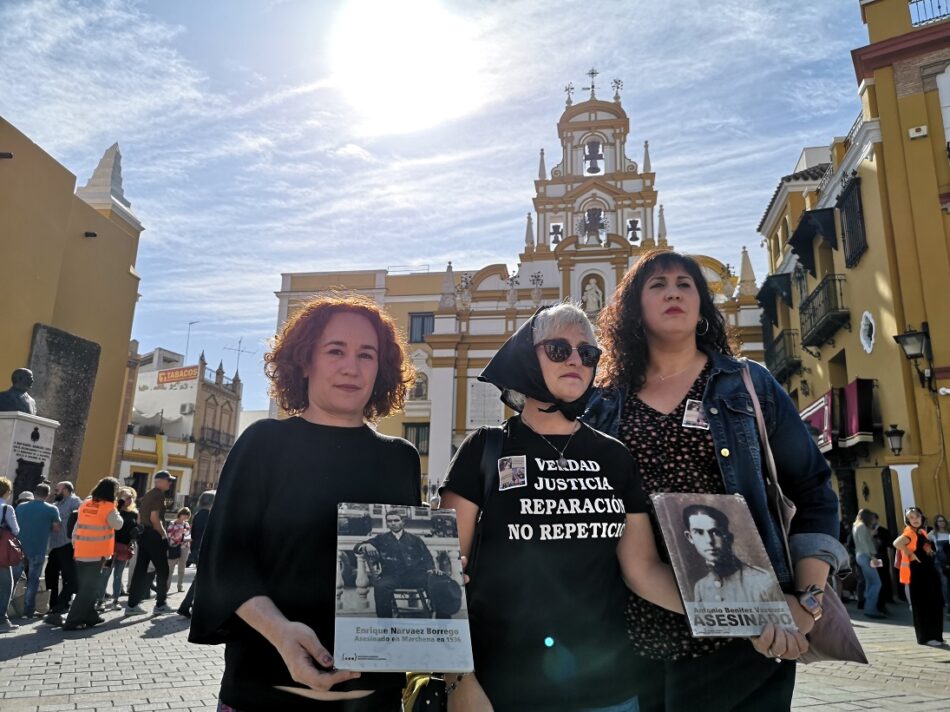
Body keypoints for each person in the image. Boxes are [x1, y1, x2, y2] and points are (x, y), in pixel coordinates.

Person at [583, 250, 848, 711]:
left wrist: (805, 604)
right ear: (633, 309)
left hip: (749, 639)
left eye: (685, 284)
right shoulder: (605, 404)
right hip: (634, 638)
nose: (673, 292)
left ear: (703, 305)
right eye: (658, 284)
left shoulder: (749, 384)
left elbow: (812, 489)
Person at [439, 304, 696, 712]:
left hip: (607, 692)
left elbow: (642, 570)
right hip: (501, 689)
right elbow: (443, 575)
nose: (576, 359)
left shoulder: (613, 456)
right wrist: (458, 681)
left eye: (588, 353)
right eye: (558, 349)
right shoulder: (484, 450)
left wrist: (734, 614)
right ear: (526, 356)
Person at [189, 293, 421, 711]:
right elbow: (226, 563)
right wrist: (280, 633)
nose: (351, 366)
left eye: (367, 355)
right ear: (304, 361)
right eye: (336, 350)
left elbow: (402, 557)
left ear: (381, 369)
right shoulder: (263, 443)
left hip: (374, 696)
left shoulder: (400, 458)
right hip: (265, 689)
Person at [682, 504, 779, 603]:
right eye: (699, 532)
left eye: (715, 532)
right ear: (690, 537)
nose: (709, 540)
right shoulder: (701, 587)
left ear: (728, 538)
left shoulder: (762, 579)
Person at [62, 477, 123, 630]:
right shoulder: (108, 507)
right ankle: (73, 620)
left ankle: (90, 616)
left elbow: (77, 527)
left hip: (81, 550)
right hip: (97, 552)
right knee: (88, 589)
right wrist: (117, 507)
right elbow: (118, 524)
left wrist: (76, 545)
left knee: (88, 586)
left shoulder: (85, 504)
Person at [359, 509, 434, 618]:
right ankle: (385, 624)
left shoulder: (415, 539)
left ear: (403, 522)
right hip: (392, 577)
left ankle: (440, 616)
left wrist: (430, 569)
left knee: (435, 582)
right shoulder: (381, 539)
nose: (393, 523)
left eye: (396, 520)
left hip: (415, 576)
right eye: (389, 521)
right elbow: (357, 548)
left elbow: (427, 556)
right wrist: (367, 545)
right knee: (380, 587)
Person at [125, 470, 175, 616]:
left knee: (140, 569)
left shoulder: (148, 494)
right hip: (154, 535)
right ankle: (160, 604)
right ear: (160, 481)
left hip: (144, 534)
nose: (171, 483)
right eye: (169, 480)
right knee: (163, 569)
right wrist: (163, 536)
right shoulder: (159, 494)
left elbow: (140, 516)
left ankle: (132, 605)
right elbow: (155, 518)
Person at [894, 507, 945, 646]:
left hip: (929, 573)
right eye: (911, 517)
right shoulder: (910, 533)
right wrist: (909, 553)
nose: (915, 519)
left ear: (922, 517)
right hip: (918, 576)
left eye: (917, 516)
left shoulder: (922, 532)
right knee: (924, 606)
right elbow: (897, 543)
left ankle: (935, 635)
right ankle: (927, 637)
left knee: (935, 604)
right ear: (907, 520)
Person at [12, 483, 61, 619]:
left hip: (19, 548)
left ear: (35, 493)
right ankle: (28, 612)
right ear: (48, 494)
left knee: (13, 579)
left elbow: (14, 526)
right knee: (33, 581)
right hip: (38, 549)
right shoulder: (52, 509)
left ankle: (4, 608)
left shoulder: (21, 507)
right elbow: (57, 528)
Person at [43, 480, 81, 624]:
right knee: (50, 573)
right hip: (55, 546)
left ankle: (62, 605)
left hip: (67, 544)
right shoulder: (57, 504)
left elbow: (80, 517)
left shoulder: (74, 501)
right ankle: (53, 605)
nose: (55, 492)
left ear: (66, 489)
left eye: (57, 489)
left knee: (69, 576)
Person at [97, 487, 139, 610]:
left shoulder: (134, 513)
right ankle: (100, 600)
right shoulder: (114, 511)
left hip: (125, 547)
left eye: (131, 496)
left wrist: (137, 532)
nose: (129, 499)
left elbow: (137, 528)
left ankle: (115, 600)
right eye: (126, 497)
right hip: (111, 546)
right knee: (106, 574)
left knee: (118, 575)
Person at [178, 489, 214, 618]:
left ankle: (191, 606)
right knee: (200, 580)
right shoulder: (207, 516)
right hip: (203, 551)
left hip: (197, 550)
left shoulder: (199, 514)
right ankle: (187, 606)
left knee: (200, 580)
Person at [852, 509, 885, 619]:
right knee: (876, 583)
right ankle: (871, 609)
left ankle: (869, 608)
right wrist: (872, 557)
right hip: (865, 556)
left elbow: (862, 541)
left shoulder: (856, 526)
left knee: (870, 582)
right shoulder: (861, 526)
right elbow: (865, 543)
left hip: (860, 555)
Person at [0, 476, 21, 633]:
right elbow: (16, 530)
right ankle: (2, 620)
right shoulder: (7, 509)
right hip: (1, 551)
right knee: (6, 585)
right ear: (6, 492)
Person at [928, 514, 950, 615]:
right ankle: (947, 604)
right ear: (936, 523)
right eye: (939, 521)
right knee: (944, 583)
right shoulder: (934, 534)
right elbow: (923, 541)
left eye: (942, 521)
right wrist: (931, 551)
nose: (941, 523)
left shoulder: (949, 532)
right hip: (940, 561)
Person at [166, 507, 191, 593]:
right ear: (180, 514)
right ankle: (166, 587)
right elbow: (169, 535)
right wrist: (180, 534)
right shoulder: (172, 523)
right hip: (174, 547)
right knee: (170, 568)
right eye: (184, 515)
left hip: (185, 548)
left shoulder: (187, 524)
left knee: (182, 568)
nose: (186, 517)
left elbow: (188, 536)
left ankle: (180, 586)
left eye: (187, 516)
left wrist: (187, 539)